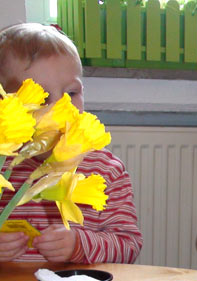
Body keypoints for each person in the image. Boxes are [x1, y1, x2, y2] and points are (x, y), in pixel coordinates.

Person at [0, 23, 143, 264]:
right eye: (43, 98)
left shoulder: (106, 169)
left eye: (72, 93)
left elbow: (129, 246)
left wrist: (80, 245)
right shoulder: (4, 164)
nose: (62, 108)